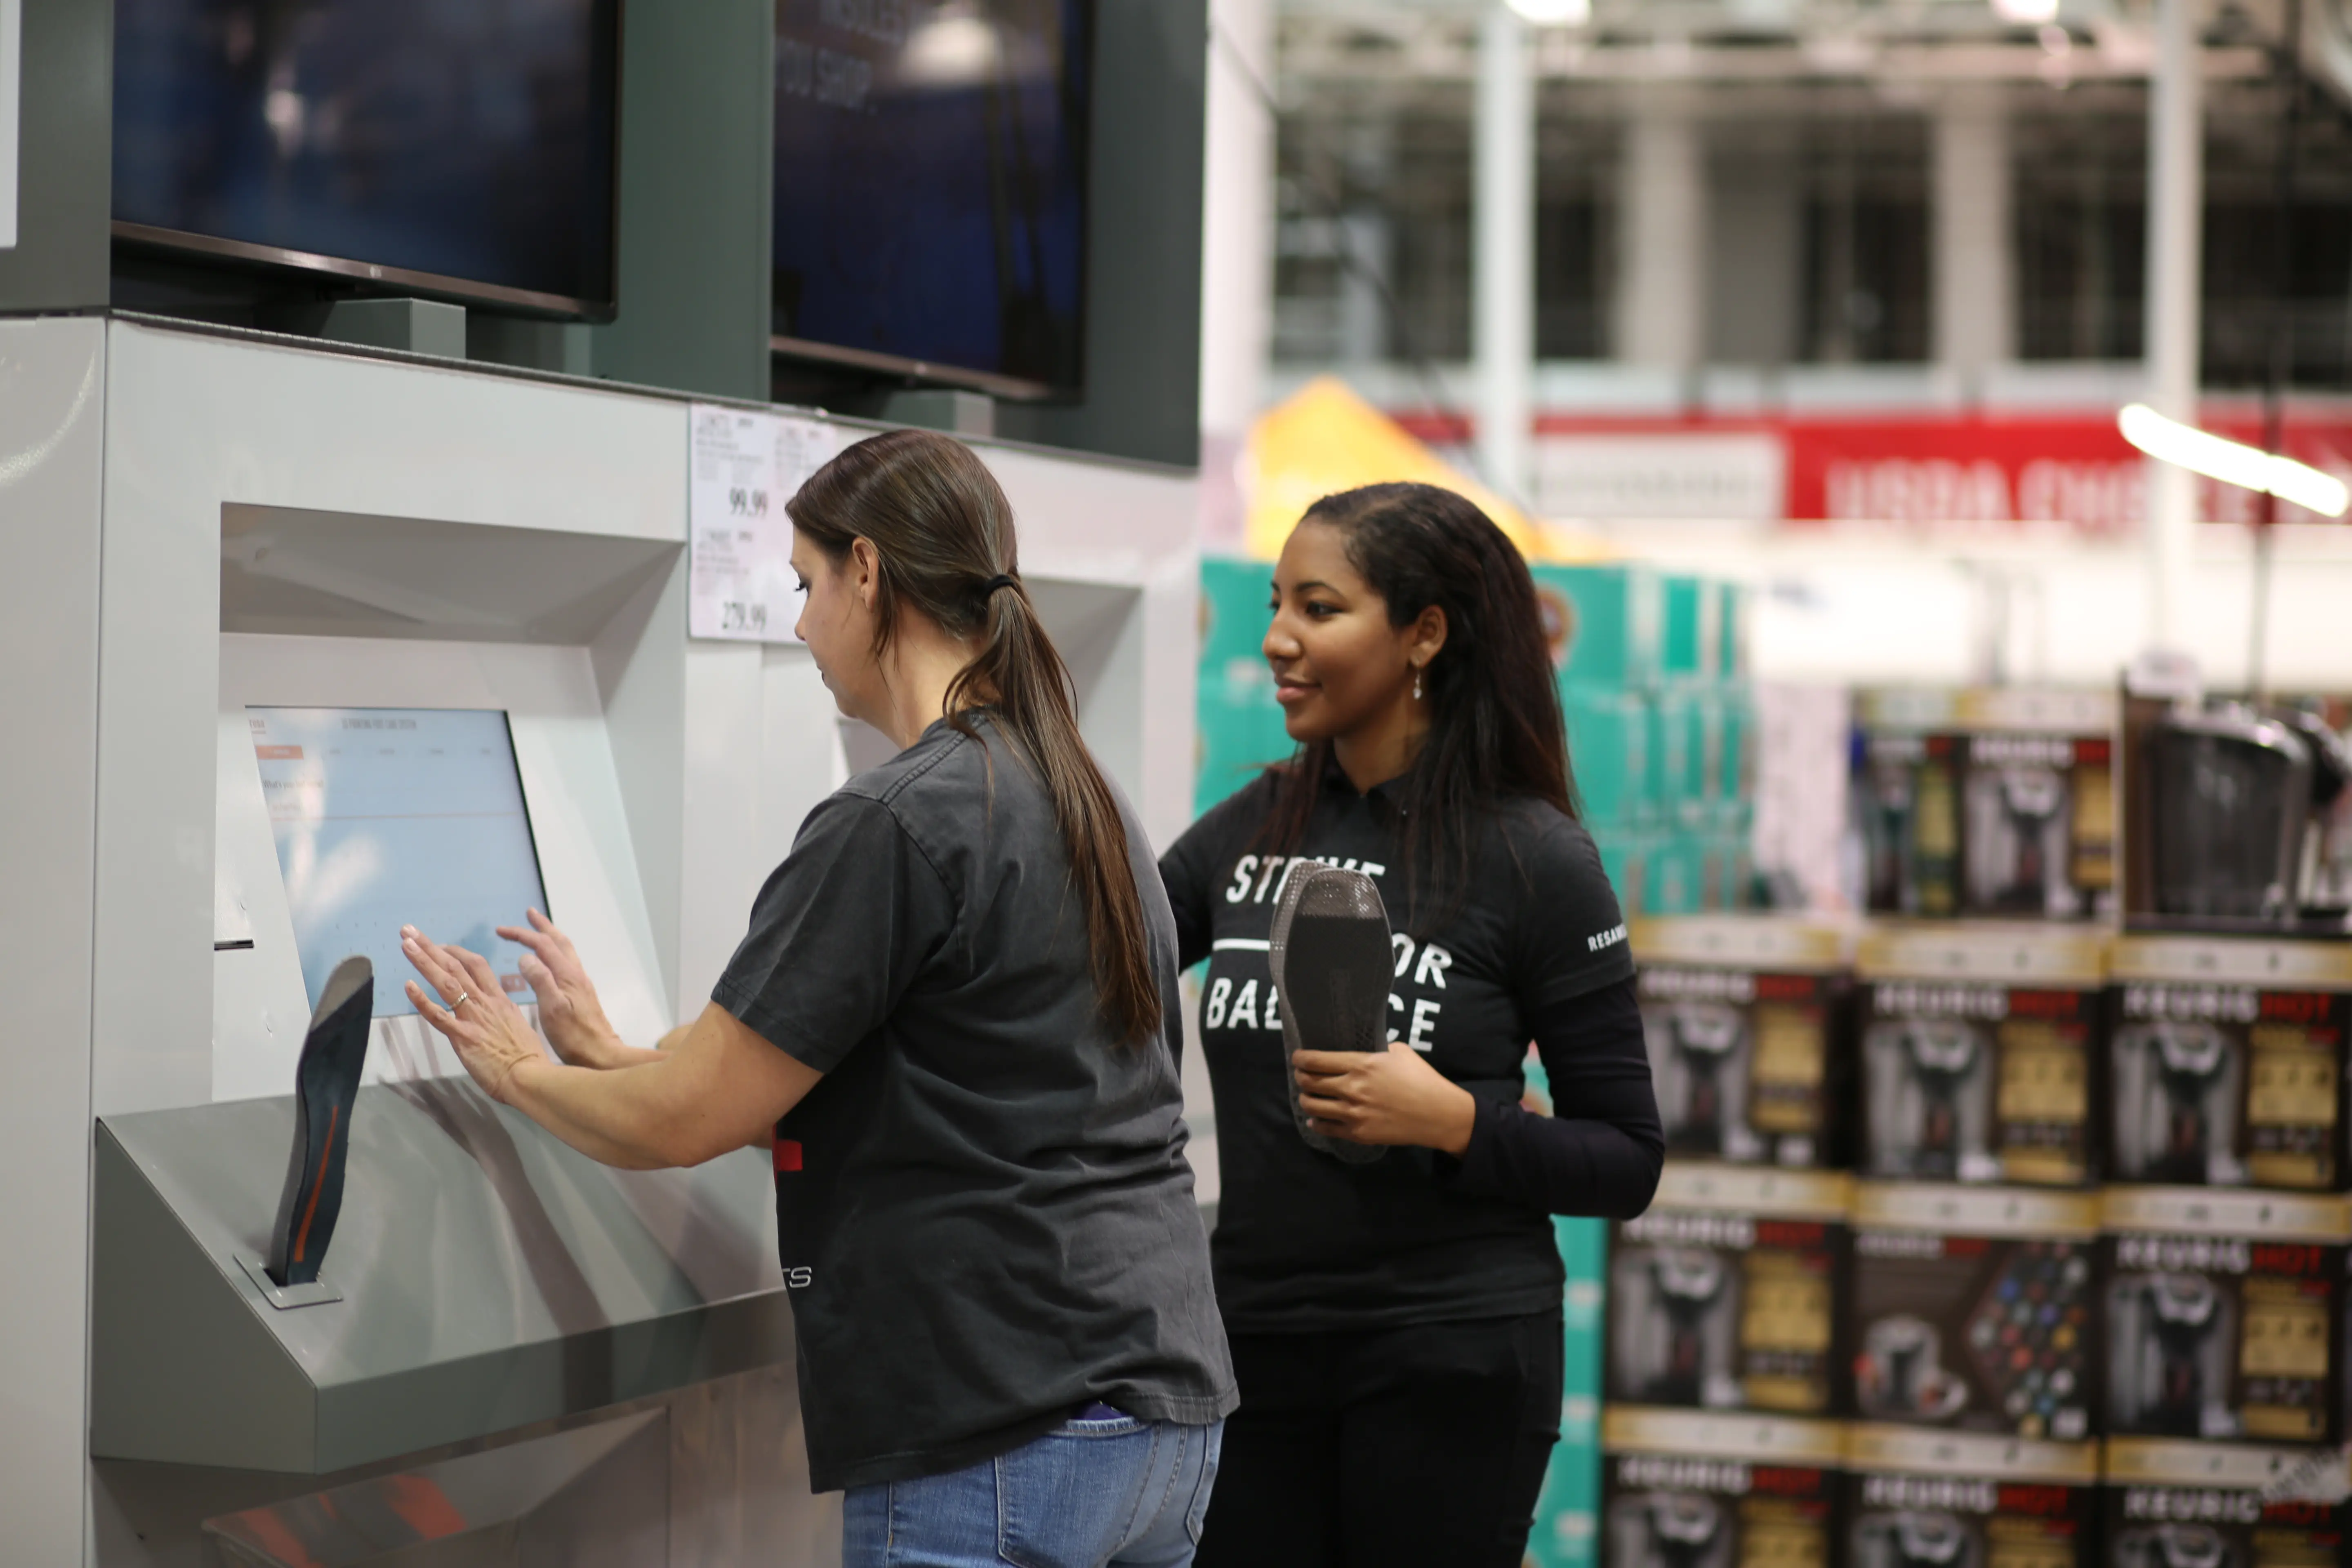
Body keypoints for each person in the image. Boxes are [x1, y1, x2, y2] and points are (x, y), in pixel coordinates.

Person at [401, 428, 1235, 1568]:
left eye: (806, 585)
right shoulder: (1082, 795)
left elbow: (691, 1121)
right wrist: (604, 1052)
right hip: (1155, 1422)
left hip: (991, 1419)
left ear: (870, 573)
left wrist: (515, 1073)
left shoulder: (895, 819)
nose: (800, 625)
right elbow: (887, 1076)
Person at [1160, 482, 1664, 1568]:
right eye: (1275, 604)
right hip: (1252, 1355)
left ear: (1424, 633)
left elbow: (1627, 1160)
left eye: (1320, 608)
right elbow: (1100, 965)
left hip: (1453, 1361)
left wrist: (1454, 1125)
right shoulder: (1250, 832)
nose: (1277, 640)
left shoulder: (1536, 860)